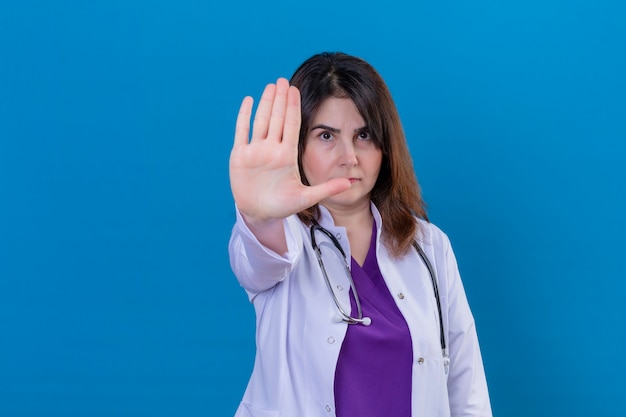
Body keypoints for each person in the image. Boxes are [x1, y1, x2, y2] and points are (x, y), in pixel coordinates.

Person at [228, 51, 492, 417]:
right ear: (298, 146)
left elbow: (466, 386)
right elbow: (257, 260)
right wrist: (259, 217)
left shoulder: (429, 247)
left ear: (385, 146)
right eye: (326, 136)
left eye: (364, 135)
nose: (348, 156)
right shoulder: (283, 237)